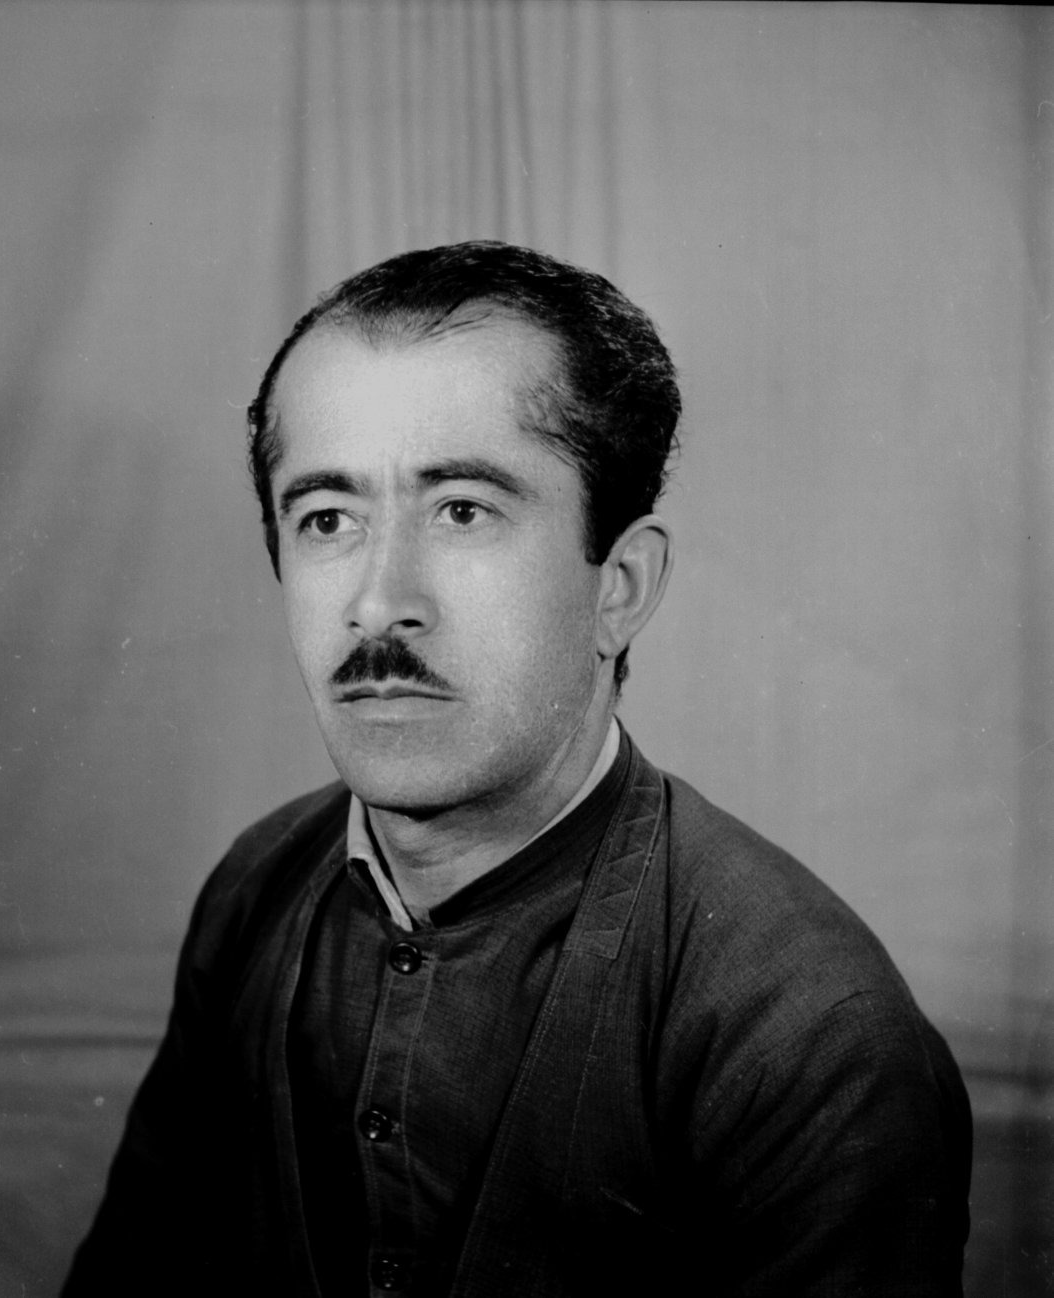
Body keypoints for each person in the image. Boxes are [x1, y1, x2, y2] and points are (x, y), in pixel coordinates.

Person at [63, 242, 971, 1296]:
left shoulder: (809, 1033)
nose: (378, 603)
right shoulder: (253, 888)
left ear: (619, 587)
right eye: (327, 520)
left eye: (462, 510)